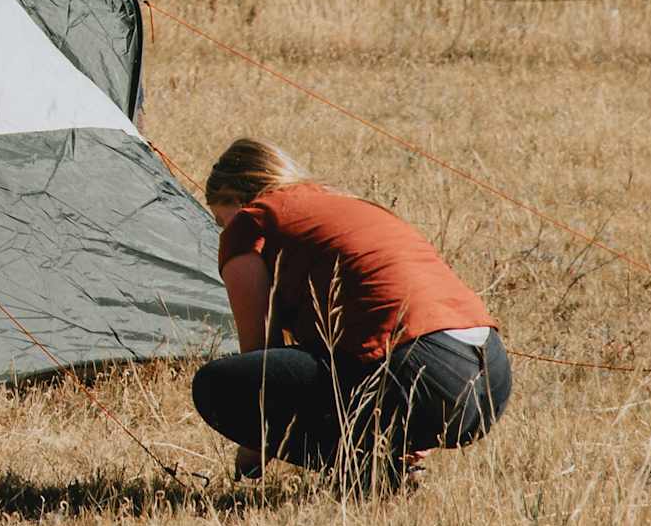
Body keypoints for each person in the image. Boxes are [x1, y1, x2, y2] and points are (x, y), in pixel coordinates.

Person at [190, 139, 510, 493]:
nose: (222, 230)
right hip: (490, 378)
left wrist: (252, 452)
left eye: (220, 218)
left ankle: (369, 468)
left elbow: (260, 357)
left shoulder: (251, 222)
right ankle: (390, 458)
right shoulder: (348, 203)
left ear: (236, 197)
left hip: (421, 368)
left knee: (218, 386)